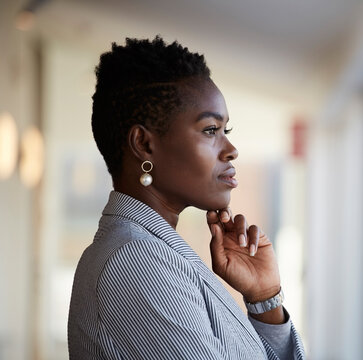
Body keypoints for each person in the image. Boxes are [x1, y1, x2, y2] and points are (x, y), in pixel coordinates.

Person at [68, 36, 305, 360]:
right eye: (210, 130)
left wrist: (264, 299)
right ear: (144, 145)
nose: (231, 149)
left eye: (227, 131)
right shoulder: (135, 260)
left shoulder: (155, 251)